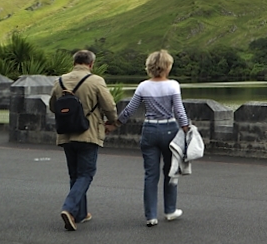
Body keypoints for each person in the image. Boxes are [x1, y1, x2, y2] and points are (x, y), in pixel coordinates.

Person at [117, 49, 192, 227]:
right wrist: (186, 128)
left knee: (151, 174)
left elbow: (130, 109)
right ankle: (170, 210)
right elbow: (179, 111)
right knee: (171, 171)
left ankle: (151, 216)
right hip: (169, 129)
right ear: (167, 67)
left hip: (149, 129)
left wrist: (115, 123)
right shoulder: (173, 85)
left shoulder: (143, 86)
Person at [51, 49, 119, 231]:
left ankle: (80, 214)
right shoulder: (96, 81)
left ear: (74, 63)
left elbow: (52, 106)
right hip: (88, 133)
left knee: (75, 175)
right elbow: (109, 107)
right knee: (86, 174)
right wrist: (113, 122)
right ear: (91, 64)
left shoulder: (59, 81)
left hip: (66, 134)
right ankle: (68, 208)